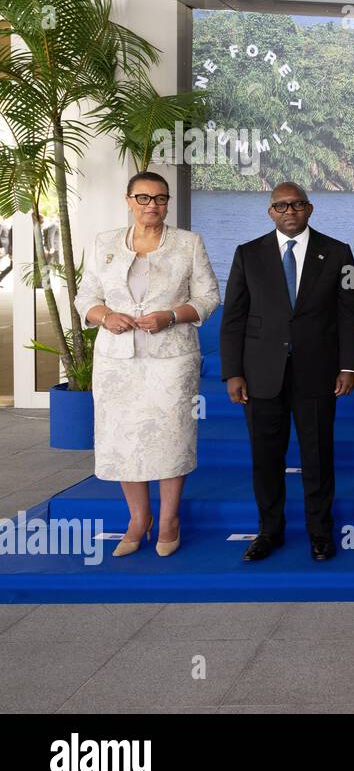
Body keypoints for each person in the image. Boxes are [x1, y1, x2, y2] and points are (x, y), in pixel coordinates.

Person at [75, 171, 220, 558]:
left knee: (171, 436)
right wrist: (104, 316)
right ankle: (139, 519)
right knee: (123, 437)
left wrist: (170, 316)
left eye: (160, 198)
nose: (152, 205)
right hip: (116, 361)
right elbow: (85, 295)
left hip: (171, 359)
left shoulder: (189, 243)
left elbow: (208, 297)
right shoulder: (103, 243)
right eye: (143, 198)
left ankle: (169, 519)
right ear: (128, 200)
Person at [221, 182, 354, 562]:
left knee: (318, 458)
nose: (289, 211)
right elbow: (233, 317)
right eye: (281, 206)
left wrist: (349, 365)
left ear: (310, 208)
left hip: (318, 374)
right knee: (266, 459)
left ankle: (320, 532)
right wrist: (232, 371)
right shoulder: (247, 254)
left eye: (297, 204)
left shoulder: (339, 253)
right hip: (260, 376)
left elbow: (350, 314)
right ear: (270, 212)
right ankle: (270, 532)